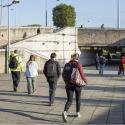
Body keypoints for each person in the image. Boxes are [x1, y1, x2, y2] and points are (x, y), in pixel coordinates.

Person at [62, 53, 87, 123]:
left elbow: (63, 74)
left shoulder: (67, 64)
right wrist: (85, 81)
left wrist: (66, 82)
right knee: (78, 99)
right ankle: (77, 113)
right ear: (77, 58)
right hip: (77, 85)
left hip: (69, 85)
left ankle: (65, 112)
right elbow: (82, 74)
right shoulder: (78, 64)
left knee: (69, 100)